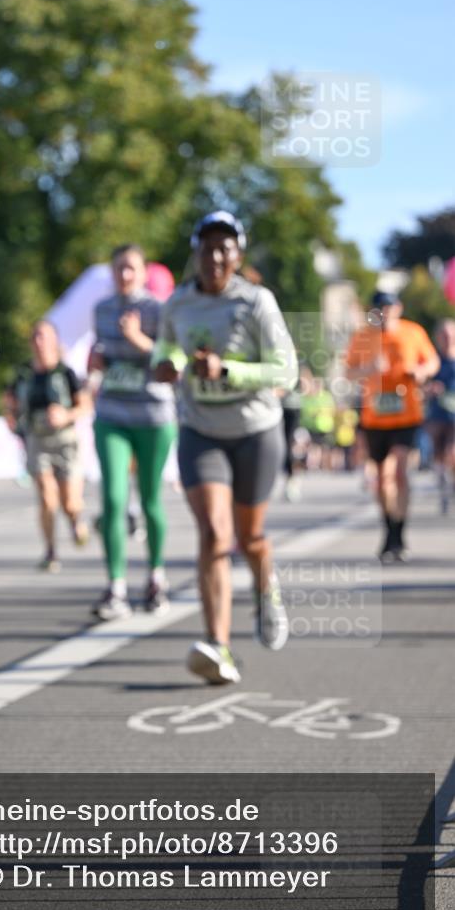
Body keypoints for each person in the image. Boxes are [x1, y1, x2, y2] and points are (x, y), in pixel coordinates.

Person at [153, 211, 296, 684]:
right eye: (207, 246)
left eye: (225, 247)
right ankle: (219, 646)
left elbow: (285, 371)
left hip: (256, 430)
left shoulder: (256, 302)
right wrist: (169, 365)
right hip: (201, 430)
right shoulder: (179, 303)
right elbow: (165, 348)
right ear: (196, 252)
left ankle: (265, 585)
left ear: (238, 255)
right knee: (214, 536)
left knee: (250, 537)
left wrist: (229, 370)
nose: (215, 256)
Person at [90, 244, 176, 618]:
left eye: (131, 269)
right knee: (112, 499)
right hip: (112, 413)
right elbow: (101, 358)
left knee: (151, 499)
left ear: (143, 273)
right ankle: (116, 588)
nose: (125, 275)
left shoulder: (159, 310)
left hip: (154, 414)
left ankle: (156, 577)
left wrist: (139, 339)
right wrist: (95, 361)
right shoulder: (102, 309)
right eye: (119, 268)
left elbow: (172, 361)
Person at [345, 290, 439, 562]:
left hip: (407, 414)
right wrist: (368, 369)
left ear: (398, 307)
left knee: (397, 471)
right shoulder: (363, 336)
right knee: (383, 481)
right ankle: (390, 530)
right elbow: (348, 372)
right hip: (375, 418)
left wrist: (421, 371)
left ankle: (400, 532)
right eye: (379, 309)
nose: (384, 313)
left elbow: (431, 361)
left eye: (388, 307)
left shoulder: (413, 332)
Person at [6, 320, 90, 572]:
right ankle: (51, 551)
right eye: (36, 337)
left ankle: (76, 520)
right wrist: (12, 421)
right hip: (36, 438)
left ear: (54, 342)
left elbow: (85, 405)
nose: (39, 342)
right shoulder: (23, 373)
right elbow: (8, 402)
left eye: (44, 336)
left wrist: (65, 415)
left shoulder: (65, 373)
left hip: (65, 441)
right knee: (46, 497)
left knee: (70, 503)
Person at [425, 318, 455, 514]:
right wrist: (430, 388)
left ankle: (451, 483)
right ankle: (443, 485)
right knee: (439, 454)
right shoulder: (433, 360)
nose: (448, 338)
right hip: (437, 413)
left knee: (453, 452)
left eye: (451, 334)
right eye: (444, 335)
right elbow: (421, 383)